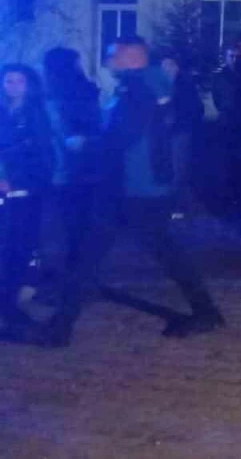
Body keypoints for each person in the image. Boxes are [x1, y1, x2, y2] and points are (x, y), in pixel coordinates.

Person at [43, 36, 223, 345]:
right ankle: (61, 325)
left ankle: (60, 327)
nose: (107, 62)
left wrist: (84, 143)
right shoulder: (147, 85)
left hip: (131, 185)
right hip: (140, 185)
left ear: (131, 57)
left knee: (94, 253)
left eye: (112, 56)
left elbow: (120, 138)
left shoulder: (138, 90)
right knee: (152, 251)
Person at [0, 64, 54, 339]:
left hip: (27, 190)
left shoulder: (36, 113)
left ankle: (10, 304)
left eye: (18, 81)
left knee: (20, 247)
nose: (13, 86)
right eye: (8, 81)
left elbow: (42, 153)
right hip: (7, 190)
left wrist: (19, 180)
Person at [42, 48, 102, 292]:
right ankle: (76, 279)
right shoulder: (83, 93)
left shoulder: (64, 97)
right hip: (76, 171)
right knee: (74, 228)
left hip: (68, 172)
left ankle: (71, 282)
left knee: (67, 228)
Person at [210, 35, 241, 214]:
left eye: (238, 56)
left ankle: (240, 195)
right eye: (232, 56)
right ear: (226, 57)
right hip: (226, 124)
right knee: (225, 162)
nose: (235, 60)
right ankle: (226, 198)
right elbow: (218, 99)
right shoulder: (220, 77)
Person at [160, 53, 204, 219]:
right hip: (164, 133)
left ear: (176, 67)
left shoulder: (185, 85)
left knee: (179, 169)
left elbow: (196, 108)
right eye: (163, 66)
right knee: (167, 168)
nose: (166, 69)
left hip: (180, 132)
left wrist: (178, 117)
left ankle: (177, 206)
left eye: (169, 65)